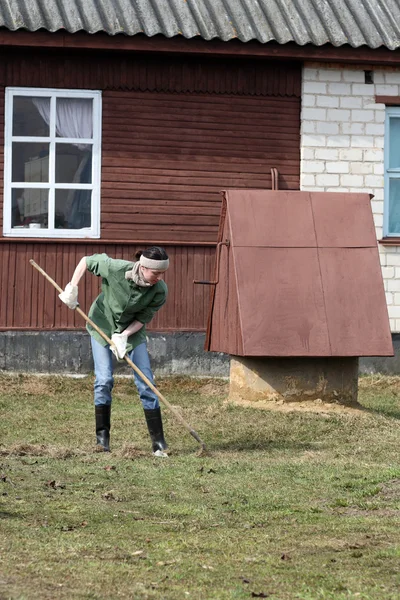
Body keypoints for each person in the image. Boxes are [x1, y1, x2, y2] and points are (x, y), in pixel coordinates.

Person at [59, 246, 170, 456]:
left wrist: (124, 335)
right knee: (104, 380)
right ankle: (102, 441)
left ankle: (158, 442)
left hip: (132, 333)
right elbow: (86, 260)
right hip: (102, 325)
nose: (159, 277)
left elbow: (143, 318)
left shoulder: (159, 291)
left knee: (146, 382)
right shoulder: (115, 268)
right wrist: (72, 288)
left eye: (162, 273)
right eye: (156, 273)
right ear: (143, 267)